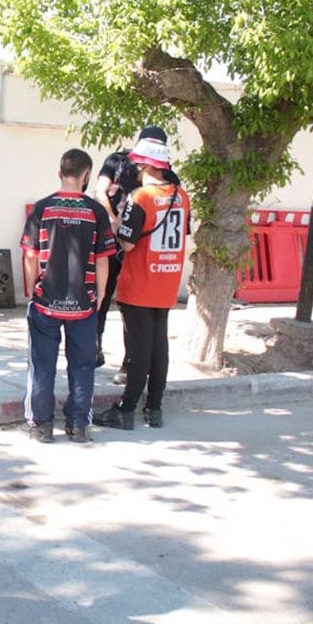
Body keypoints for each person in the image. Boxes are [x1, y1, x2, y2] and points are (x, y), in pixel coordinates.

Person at [95, 137, 191, 431]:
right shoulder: (181, 194)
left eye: (136, 163)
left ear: (146, 164)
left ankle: (126, 408)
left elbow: (129, 243)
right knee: (158, 347)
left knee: (138, 350)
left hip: (139, 280)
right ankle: (154, 407)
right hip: (167, 279)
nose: (132, 167)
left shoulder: (141, 196)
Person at [21, 149, 116, 443]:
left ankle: (42, 426)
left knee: (42, 365)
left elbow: (30, 256)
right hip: (83, 304)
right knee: (83, 365)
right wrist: (100, 295)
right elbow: (103, 259)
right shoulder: (96, 212)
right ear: (87, 175)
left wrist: (30, 291)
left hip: (46, 302)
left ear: (60, 173)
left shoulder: (42, 208)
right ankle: (77, 427)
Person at [94, 125, 176, 382]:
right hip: (114, 237)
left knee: (133, 307)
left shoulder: (164, 172)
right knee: (102, 294)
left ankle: (130, 364)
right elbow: (100, 191)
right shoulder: (117, 160)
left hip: (140, 246)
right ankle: (93, 348)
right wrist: (113, 219)